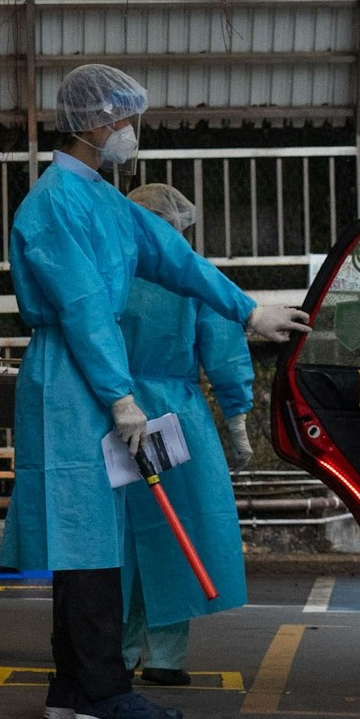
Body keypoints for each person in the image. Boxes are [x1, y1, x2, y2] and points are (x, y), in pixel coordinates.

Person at [3, 64, 309, 719]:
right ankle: (104, 691)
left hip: (92, 375)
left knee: (93, 535)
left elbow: (178, 260)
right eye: (120, 118)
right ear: (90, 123)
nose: (128, 131)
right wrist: (119, 396)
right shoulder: (55, 202)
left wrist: (248, 308)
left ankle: (74, 684)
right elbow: (82, 308)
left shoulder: (104, 200)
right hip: (73, 377)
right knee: (87, 539)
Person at [117, 182, 255, 688]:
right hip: (176, 416)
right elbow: (223, 347)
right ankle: (166, 659)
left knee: (122, 538)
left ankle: (116, 652)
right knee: (172, 534)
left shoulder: (110, 270)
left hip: (115, 410)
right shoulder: (190, 275)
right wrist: (237, 418)